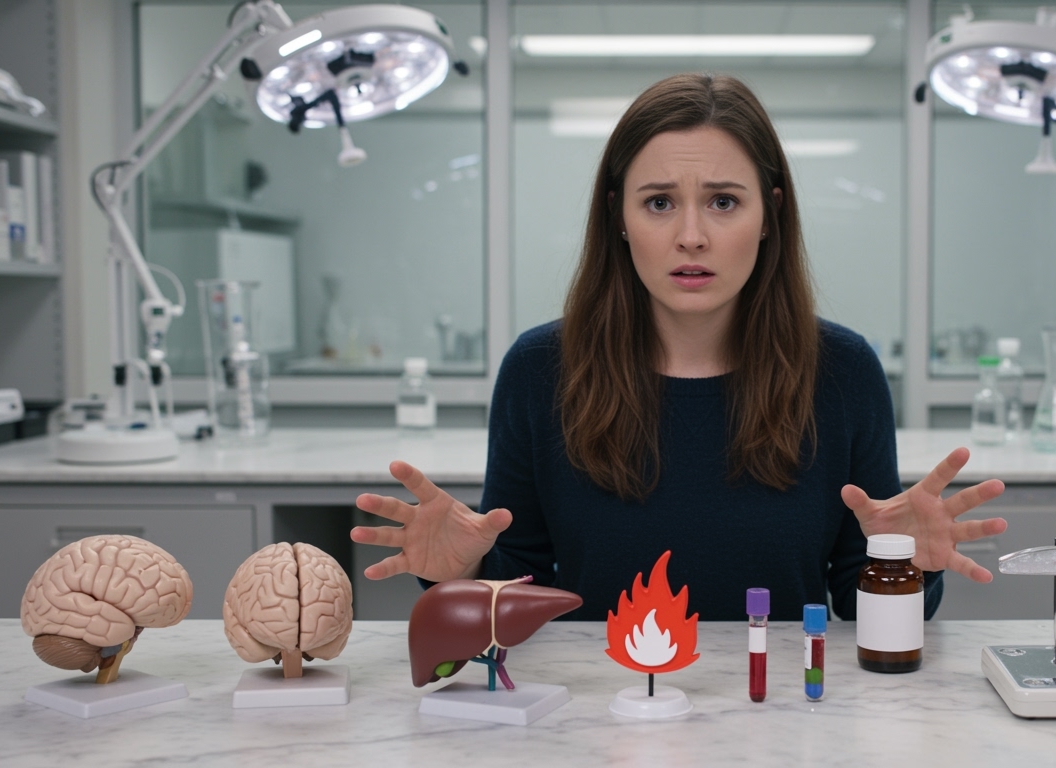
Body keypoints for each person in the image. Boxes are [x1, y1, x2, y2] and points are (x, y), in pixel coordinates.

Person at [351, 73, 1008, 621]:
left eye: (723, 201)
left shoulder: (843, 373)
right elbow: (519, 589)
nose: (692, 236)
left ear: (770, 213)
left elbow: (850, 598)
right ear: (619, 217)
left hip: (782, 716)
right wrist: (456, 573)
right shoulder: (539, 371)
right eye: (659, 202)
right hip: (600, 716)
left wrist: (906, 569)